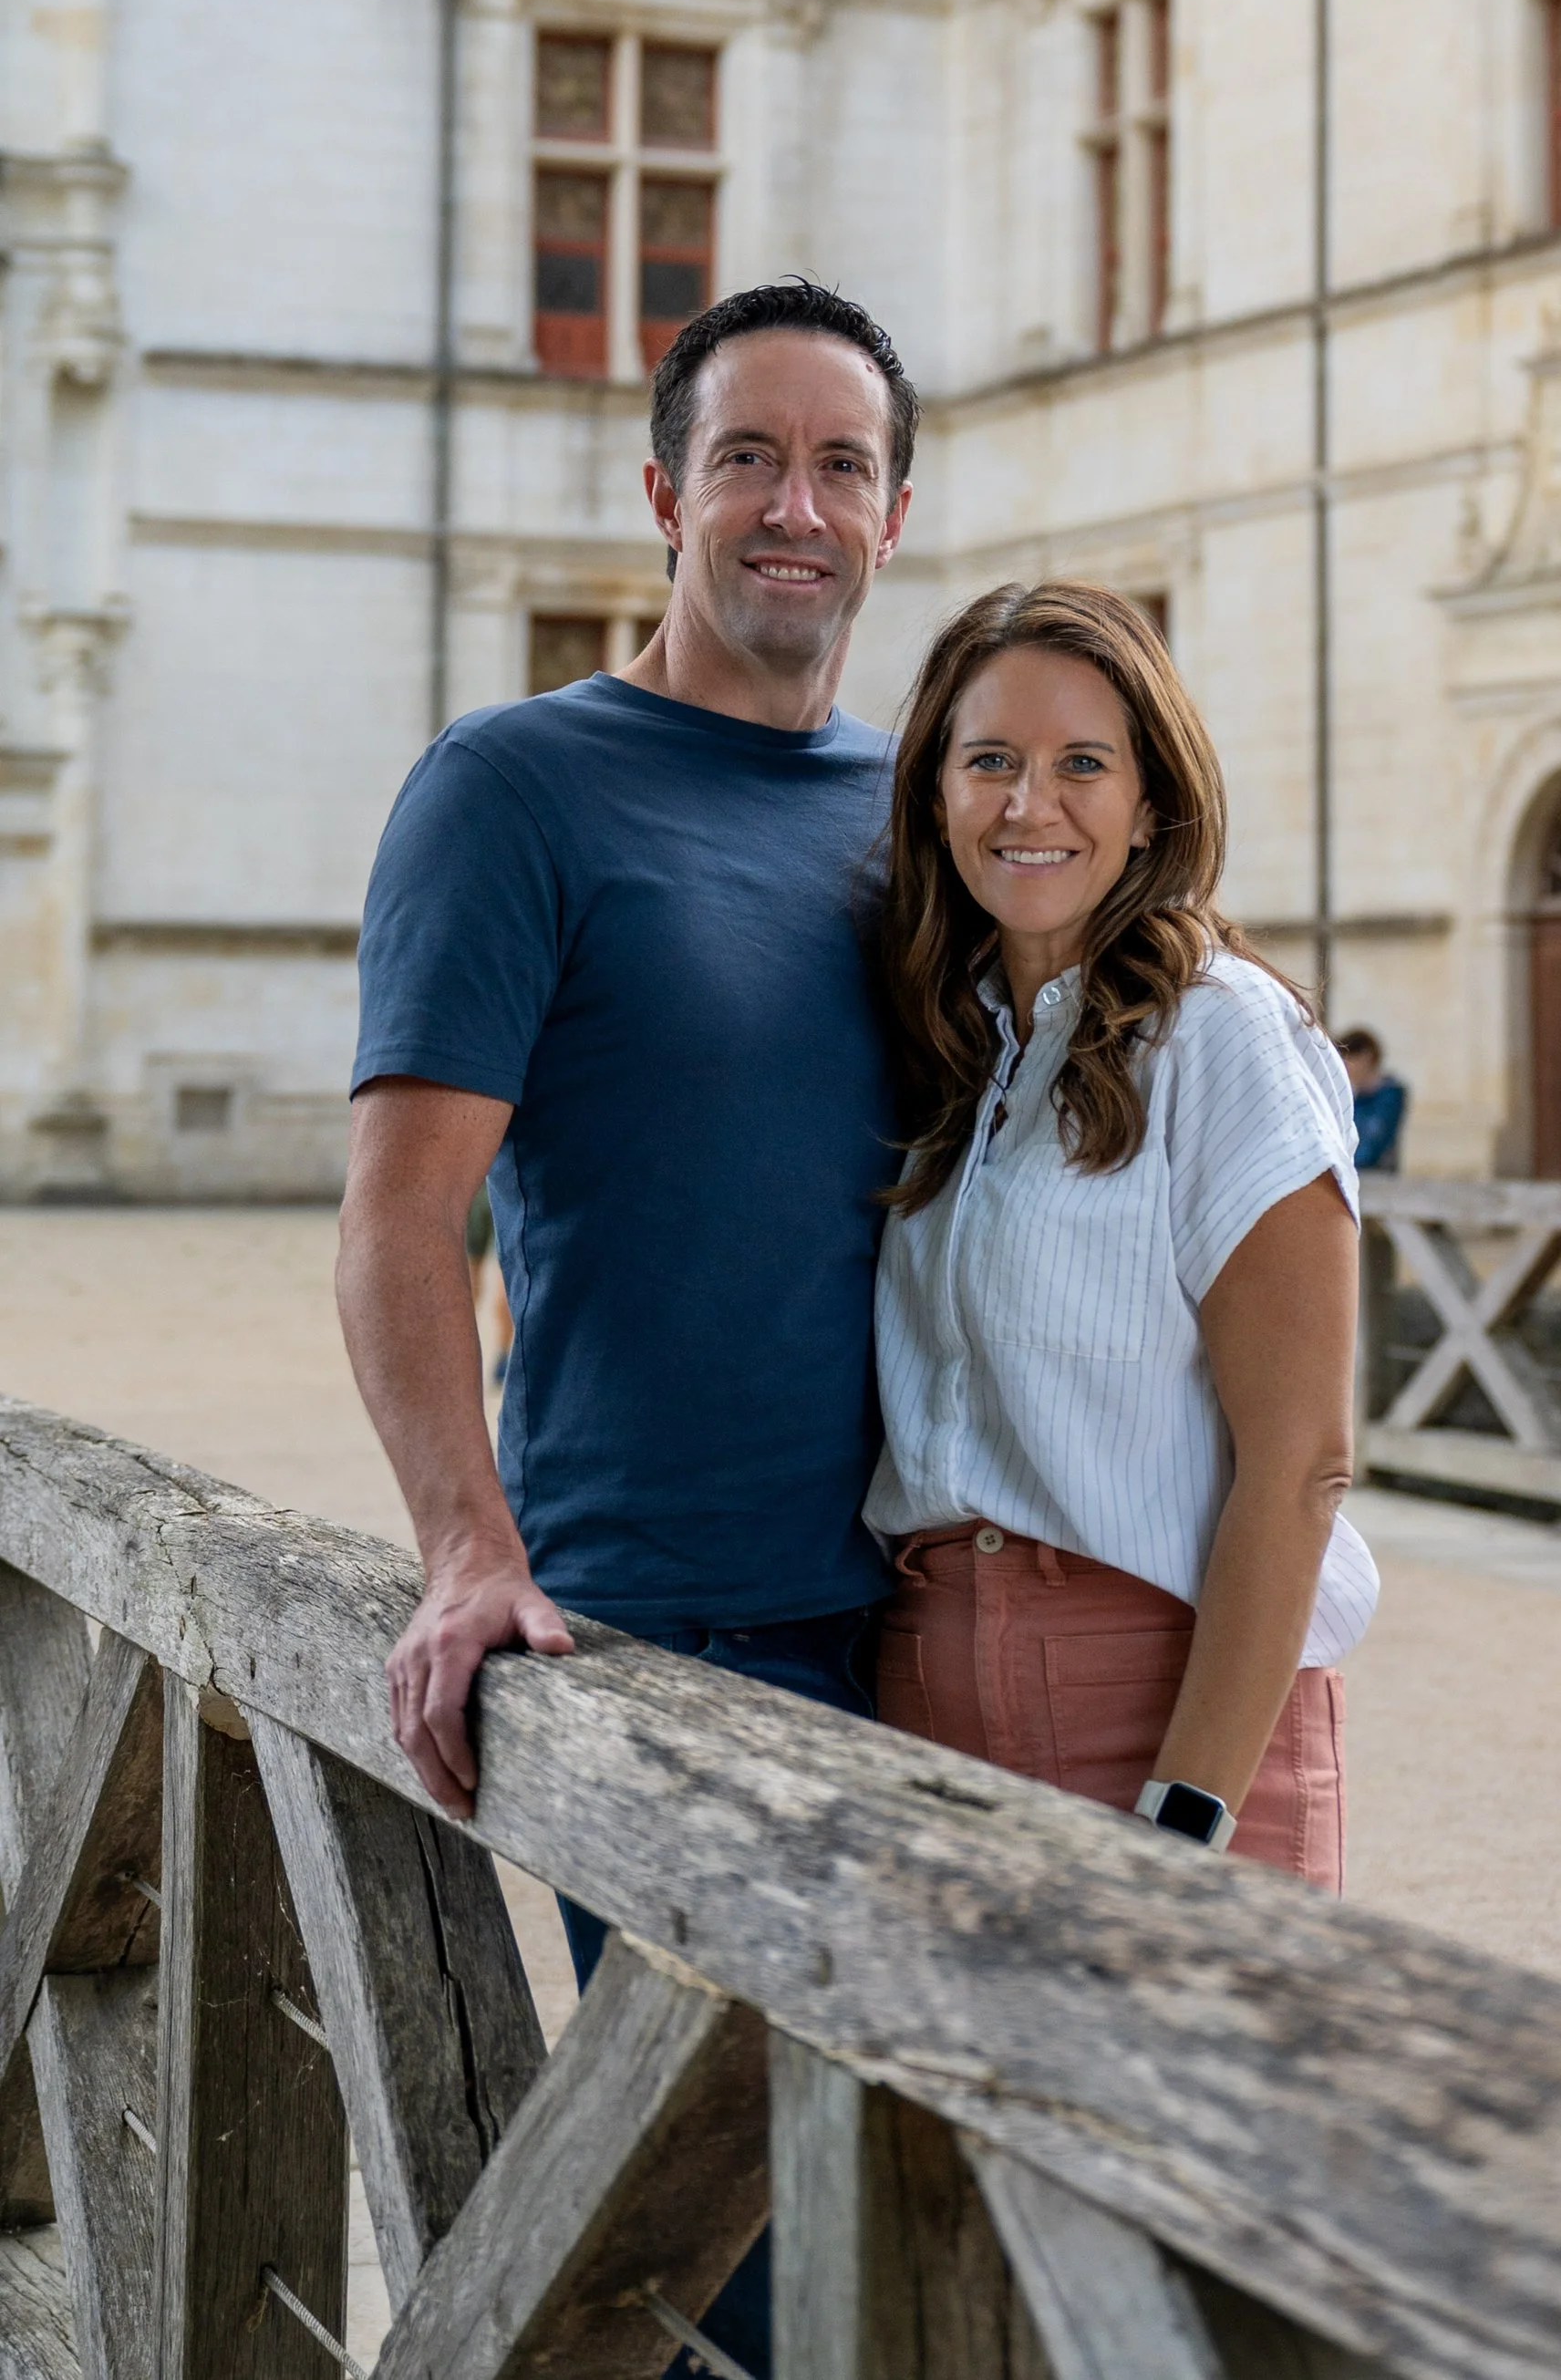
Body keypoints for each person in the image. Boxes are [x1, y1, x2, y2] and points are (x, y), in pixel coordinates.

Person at [338, 275, 915, 2380]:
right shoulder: (515, 786)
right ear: (665, 493)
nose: (794, 505)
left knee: (921, 2244)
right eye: (748, 457)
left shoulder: (930, 807)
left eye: (839, 464)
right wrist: (463, 1546)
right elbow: (400, 1214)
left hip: (938, 1630)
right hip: (665, 1630)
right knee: (735, 2268)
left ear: (895, 515)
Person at [864, 582, 1375, 1888]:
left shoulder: (1224, 1033)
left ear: (1153, 803)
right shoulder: (955, 1052)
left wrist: (1187, 1812)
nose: (1029, 805)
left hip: (1167, 1715)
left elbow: (1302, 1464)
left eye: (1082, 764)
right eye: (991, 761)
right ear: (936, 795)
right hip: (927, 1713)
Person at [1338, 1030, 1408, 1174]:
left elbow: (1373, 1144)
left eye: (1349, 1060)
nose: (1346, 1068)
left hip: (1377, 1174)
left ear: (1365, 1058)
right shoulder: (1354, 1098)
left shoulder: (1389, 1096)